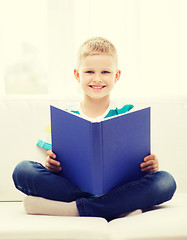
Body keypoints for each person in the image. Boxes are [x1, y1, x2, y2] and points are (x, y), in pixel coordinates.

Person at [12, 37, 176, 221]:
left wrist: (150, 167)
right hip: (73, 187)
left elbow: (139, 163)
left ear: (116, 76)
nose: (97, 78)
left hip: (119, 187)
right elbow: (52, 164)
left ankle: (75, 209)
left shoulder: (128, 114)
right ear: (77, 74)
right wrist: (51, 167)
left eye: (105, 71)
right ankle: (116, 208)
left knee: (166, 181)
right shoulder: (63, 117)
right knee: (23, 170)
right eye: (89, 71)